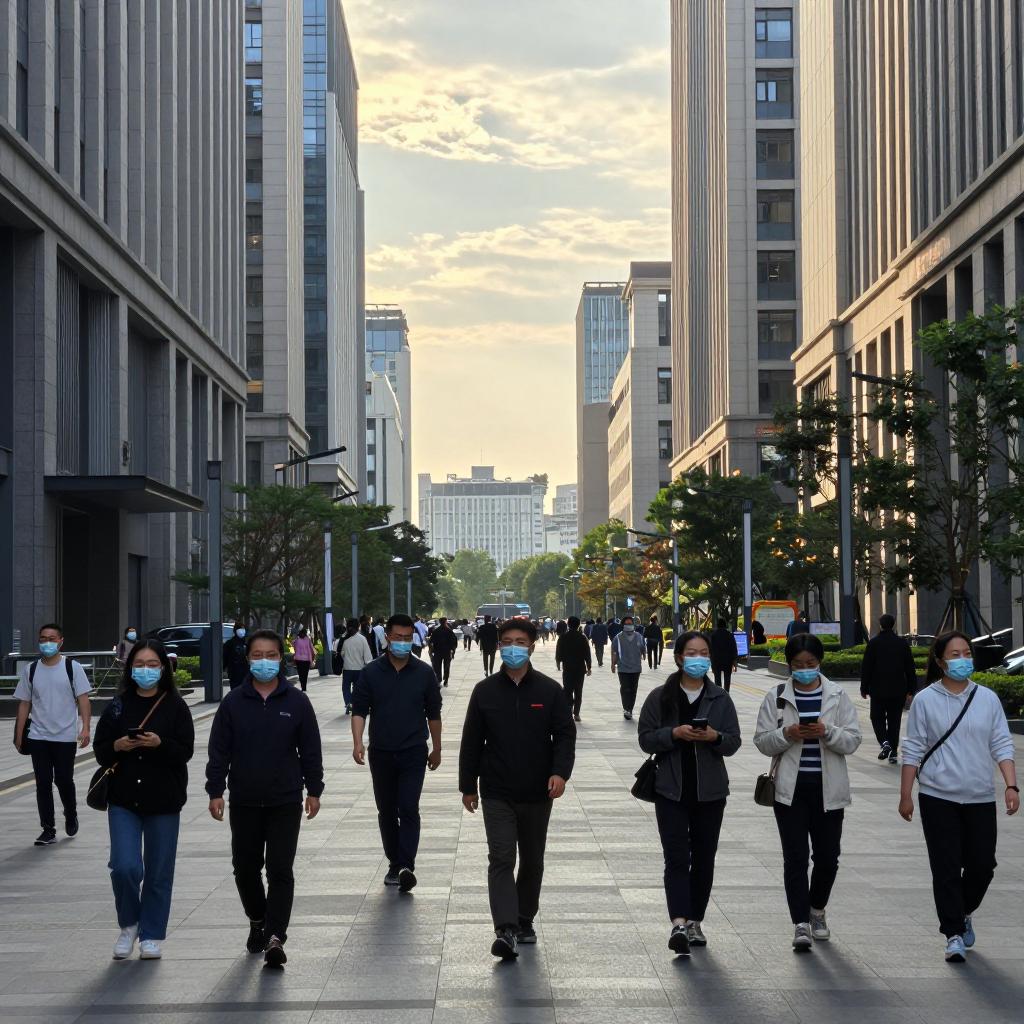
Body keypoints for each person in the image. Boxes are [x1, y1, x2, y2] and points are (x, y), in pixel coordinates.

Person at [205, 629, 324, 969]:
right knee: (244, 868)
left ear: (281, 658)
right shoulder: (233, 703)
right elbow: (219, 751)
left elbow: (310, 749)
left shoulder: (297, 702)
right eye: (257, 656)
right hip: (244, 800)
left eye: (271, 655)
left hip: (285, 800)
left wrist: (314, 789)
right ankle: (257, 919)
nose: (264, 662)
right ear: (248, 659)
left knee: (280, 869)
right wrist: (216, 790)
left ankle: (275, 936)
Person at [459, 618, 576, 960]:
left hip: (538, 791)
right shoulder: (484, 692)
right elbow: (471, 742)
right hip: (496, 790)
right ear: (498, 646)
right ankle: (506, 929)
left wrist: (560, 773)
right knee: (501, 858)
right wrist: (468, 786)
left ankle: (525, 917)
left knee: (532, 861)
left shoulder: (549, 691)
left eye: (520, 642)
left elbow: (565, 736)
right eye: (507, 641)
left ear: (531, 645)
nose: (513, 647)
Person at [898, 631, 1018, 963]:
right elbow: (913, 749)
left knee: (982, 866)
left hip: (979, 796)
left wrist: (1011, 785)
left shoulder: (987, 698)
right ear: (939, 661)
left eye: (967, 653)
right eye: (954, 654)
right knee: (946, 866)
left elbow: (1001, 744)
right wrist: (906, 795)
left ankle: (962, 911)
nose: (962, 659)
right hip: (938, 796)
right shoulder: (925, 700)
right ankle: (953, 933)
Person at [754, 633, 862, 951]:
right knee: (796, 858)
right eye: (798, 664)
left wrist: (827, 731)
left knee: (828, 858)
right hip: (790, 790)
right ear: (789, 665)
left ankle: (817, 910)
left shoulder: (837, 696)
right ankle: (800, 923)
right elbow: (762, 741)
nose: (805, 669)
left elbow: (853, 740)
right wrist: (787, 733)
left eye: (811, 663)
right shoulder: (776, 697)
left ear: (819, 663)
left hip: (829, 790)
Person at [638, 630, 742, 955]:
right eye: (692, 653)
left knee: (704, 857)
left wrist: (713, 737)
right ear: (680, 657)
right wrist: (674, 733)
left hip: (710, 793)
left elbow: (733, 742)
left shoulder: (720, 698)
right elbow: (645, 738)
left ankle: (696, 919)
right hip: (670, 790)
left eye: (704, 653)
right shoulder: (660, 696)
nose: (698, 659)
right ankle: (679, 923)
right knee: (676, 858)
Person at [93, 640, 195, 961]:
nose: (146, 670)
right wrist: (119, 745)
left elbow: (185, 752)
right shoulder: (118, 705)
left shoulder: (176, 707)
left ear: (163, 668)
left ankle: (151, 934)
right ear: (130, 667)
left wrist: (159, 743)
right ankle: (129, 924)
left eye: (153, 664)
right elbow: (100, 748)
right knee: (124, 866)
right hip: (123, 799)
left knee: (159, 871)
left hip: (164, 800)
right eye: (140, 664)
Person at [352, 614, 442, 892]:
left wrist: (437, 748)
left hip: (414, 751)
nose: (402, 642)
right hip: (381, 752)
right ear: (387, 638)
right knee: (387, 810)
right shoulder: (371, 673)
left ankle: (406, 865)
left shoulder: (424, 673)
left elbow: (434, 714)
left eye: (407, 638)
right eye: (397, 637)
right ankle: (394, 862)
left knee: (408, 806)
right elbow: (359, 711)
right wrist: (358, 742)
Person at [13, 623, 92, 847]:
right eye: (43, 638)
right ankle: (48, 829)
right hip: (38, 736)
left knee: (64, 780)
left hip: (65, 736)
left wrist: (85, 728)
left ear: (60, 641)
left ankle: (71, 812)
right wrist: (19, 734)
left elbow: (84, 700)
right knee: (43, 783)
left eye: (51, 638)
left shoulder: (72, 667)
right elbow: (24, 704)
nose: (46, 642)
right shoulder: (31, 670)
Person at [860, 613, 918, 765]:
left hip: (878, 690)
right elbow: (910, 668)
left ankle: (884, 742)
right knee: (894, 720)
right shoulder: (902, 643)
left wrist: (864, 688)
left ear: (880, 625)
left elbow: (866, 667)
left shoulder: (874, 643)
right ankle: (893, 752)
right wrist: (912, 689)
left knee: (877, 717)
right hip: (898, 689)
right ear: (893, 625)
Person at [554, 616, 592, 722]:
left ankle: (568, 709)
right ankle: (577, 713)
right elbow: (587, 653)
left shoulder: (563, 637)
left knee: (567, 690)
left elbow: (558, 652)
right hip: (580, 669)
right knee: (578, 691)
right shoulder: (582, 637)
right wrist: (589, 667)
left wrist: (558, 662)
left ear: (568, 624)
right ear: (578, 624)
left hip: (567, 668)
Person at [611, 615, 647, 721]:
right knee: (625, 688)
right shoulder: (618, 637)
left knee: (633, 689)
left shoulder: (639, 636)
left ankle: (630, 709)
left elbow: (642, 647)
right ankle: (626, 708)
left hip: (636, 668)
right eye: (626, 624)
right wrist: (613, 664)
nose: (628, 625)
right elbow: (614, 652)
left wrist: (644, 654)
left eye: (630, 623)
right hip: (623, 667)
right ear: (622, 625)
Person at [341, 620, 374, 716]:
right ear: (358, 626)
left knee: (346, 687)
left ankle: (348, 703)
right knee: (357, 688)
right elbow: (367, 656)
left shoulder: (344, 638)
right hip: (359, 669)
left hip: (347, 668)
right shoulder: (362, 639)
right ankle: (356, 705)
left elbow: (342, 653)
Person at [709, 619, 738, 692]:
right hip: (728, 661)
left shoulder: (713, 635)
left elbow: (711, 650)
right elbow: (734, 648)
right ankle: (726, 693)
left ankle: (718, 694)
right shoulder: (729, 635)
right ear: (725, 625)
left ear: (717, 625)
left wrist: (711, 662)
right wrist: (734, 662)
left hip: (716, 661)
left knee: (717, 679)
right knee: (727, 679)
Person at [428, 616, 458, 687]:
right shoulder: (449, 631)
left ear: (440, 622)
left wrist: (430, 652)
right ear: (446, 622)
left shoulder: (436, 631)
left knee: (437, 666)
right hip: (447, 652)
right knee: (447, 666)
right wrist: (453, 651)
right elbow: (454, 641)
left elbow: (430, 642)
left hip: (437, 652)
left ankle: (439, 680)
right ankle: (446, 680)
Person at [223, 622, 250, 690]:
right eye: (240, 629)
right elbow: (225, 657)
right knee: (235, 691)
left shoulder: (246, 643)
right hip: (234, 672)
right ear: (235, 631)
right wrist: (224, 668)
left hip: (246, 672)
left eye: (243, 629)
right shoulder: (230, 643)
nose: (242, 631)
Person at [291, 626, 316, 693]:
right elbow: (311, 649)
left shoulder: (297, 640)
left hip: (298, 659)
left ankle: (303, 686)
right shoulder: (308, 640)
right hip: (306, 660)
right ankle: (304, 687)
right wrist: (312, 659)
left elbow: (293, 646)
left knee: (301, 673)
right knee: (305, 674)